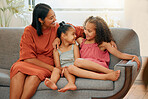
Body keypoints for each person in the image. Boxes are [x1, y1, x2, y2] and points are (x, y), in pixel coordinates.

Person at [9, 3, 84, 99]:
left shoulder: (56, 27)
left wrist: (104, 36)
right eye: (51, 18)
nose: (55, 19)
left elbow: (80, 30)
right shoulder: (29, 31)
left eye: (54, 16)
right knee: (18, 70)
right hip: (30, 62)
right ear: (41, 20)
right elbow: (28, 59)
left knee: (35, 77)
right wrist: (53, 69)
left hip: (45, 66)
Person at [66, 16, 141, 81]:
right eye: (85, 29)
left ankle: (108, 72)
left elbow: (119, 54)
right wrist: (58, 39)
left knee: (78, 61)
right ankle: (105, 77)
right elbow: (68, 32)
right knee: (70, 68)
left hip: (100, 68)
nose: (85, 32)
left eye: (89, 31)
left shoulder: (102, 44)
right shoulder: (81, 41)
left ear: (98, 32)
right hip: (86, 70)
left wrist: (132, 56)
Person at [44, 21, 79, 92]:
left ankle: (71, 83)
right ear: (63, 35)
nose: (75, 36)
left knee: (68, 70)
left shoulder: (74, 46)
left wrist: (67, 68)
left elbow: (77, 61)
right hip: (61, 70)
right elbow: (58, 66)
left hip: (72, 69)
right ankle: (52, 82)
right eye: (73, 34)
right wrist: (62, 69)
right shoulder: (56, 50)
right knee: (55, 69)